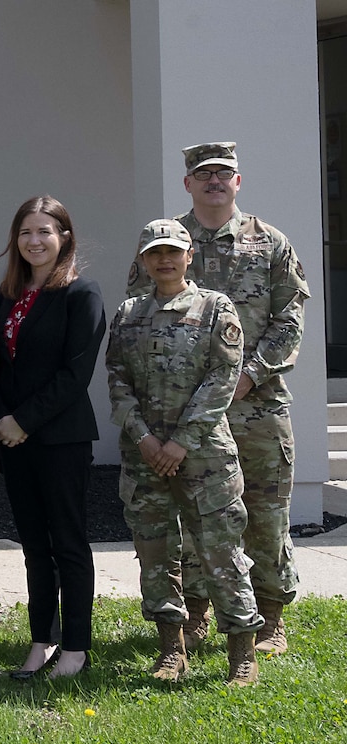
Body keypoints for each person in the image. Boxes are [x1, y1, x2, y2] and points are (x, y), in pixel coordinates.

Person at [127, 143, 307, 656]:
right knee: (191, 517)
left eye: (222, 173)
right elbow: (137, 317)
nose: (213, 181)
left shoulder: (270, 243)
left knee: (265, 513)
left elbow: (289, 321)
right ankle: (197, 614)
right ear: (187, 183)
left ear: (238, 181)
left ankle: (270, 616)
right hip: (181, 416)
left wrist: (246, 376)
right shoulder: (165, 243)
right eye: (202, 174)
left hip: (257, 407)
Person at [107, 218, 263, 686]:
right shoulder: (129, 312)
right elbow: (117, 379)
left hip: (205, 456)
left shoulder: (216, 308)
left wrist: (179, 442)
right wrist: (144, 438)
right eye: (154, 253)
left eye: (173, 251)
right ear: (143, 260)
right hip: (145, 456)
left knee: (222, 553)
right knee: (155, 554)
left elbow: (222, 380)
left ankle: (242, 653)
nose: (164, 259)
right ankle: (172, 649)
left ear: (189, 255)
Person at [0, 196, 105, 680]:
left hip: (60, 439)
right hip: (13, 440)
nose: (34, 241)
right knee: (34, 545)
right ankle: (41, 642)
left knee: (68, 543)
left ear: (64, 238)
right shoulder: (8, 294)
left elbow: (75, 375)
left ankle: (75, 649)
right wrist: (0, 419)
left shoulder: (81, 293)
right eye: (25, 232)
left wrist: (24, 420)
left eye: (45, 232)